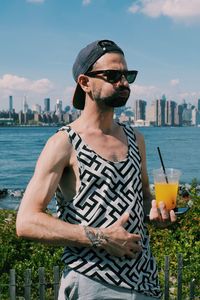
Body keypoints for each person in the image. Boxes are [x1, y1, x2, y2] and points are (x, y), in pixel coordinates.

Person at [16, 39, 176, 300]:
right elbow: (26, 222)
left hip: (145, 280)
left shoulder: (136, 138)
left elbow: (144, 199)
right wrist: (102, 237)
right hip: (93, 282)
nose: (123, 82)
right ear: (85, 82)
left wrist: (158, 212)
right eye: (113, 75)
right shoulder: (64, 143)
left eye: (127, 75)